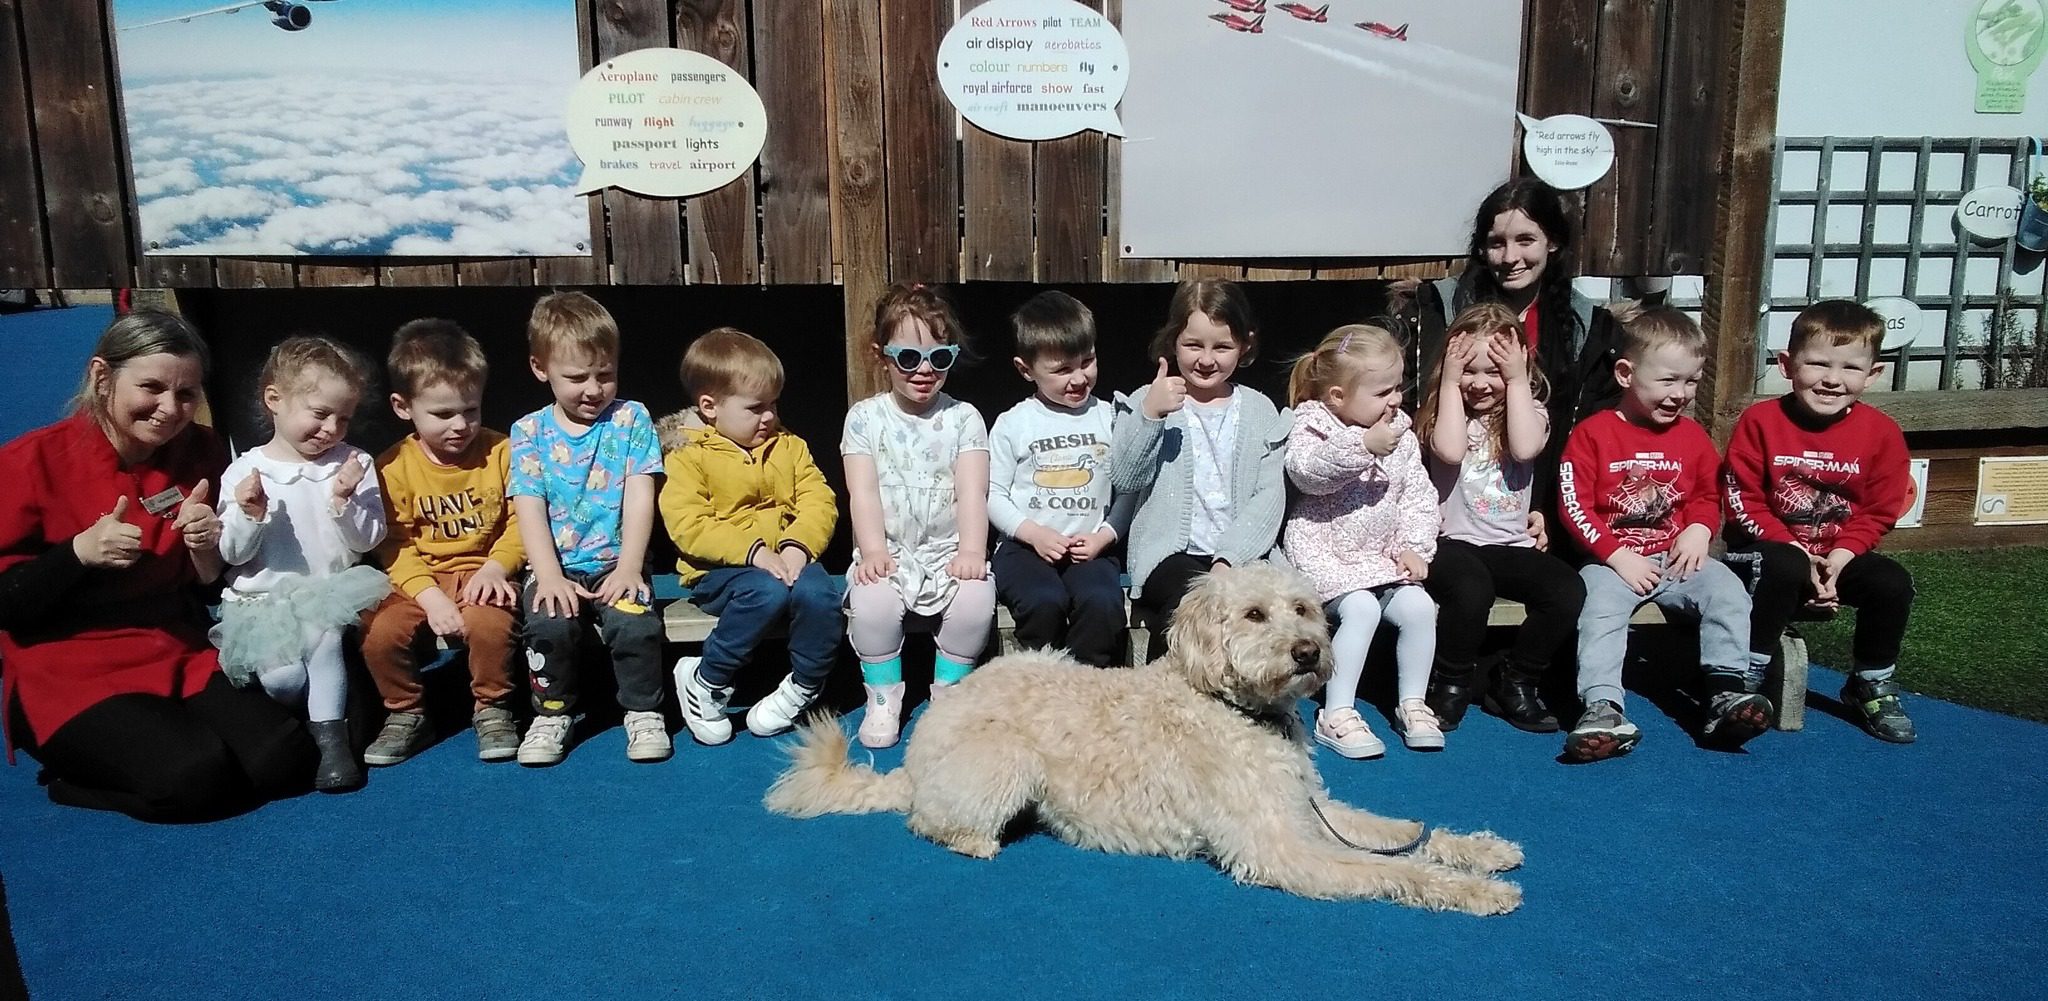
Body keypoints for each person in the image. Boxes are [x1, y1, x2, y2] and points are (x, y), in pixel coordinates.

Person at [0, 309, 316, 821]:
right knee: (196, 780)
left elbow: (214, 582)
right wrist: (76, 555)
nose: (170, 409)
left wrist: (211, 544)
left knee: (286, 762)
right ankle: (69, 783)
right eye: (151, 388)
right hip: (66, 667)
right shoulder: (28, 462)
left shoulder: (203, 452)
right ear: (103, 378)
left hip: (175, 645)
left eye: (187, 394)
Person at [1556, 308, 1766, 762]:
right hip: (1611, 563)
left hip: (1676, 559)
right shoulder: (1592, 434)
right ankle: (1602, 706)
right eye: (1669, 381)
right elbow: (1574, 506)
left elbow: (1709, 495)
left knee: (1727, 589)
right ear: (1626, 374)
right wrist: (1615, 555)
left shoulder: (1691, 438)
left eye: (1691, 382)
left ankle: (1726, 692)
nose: (1681, 394)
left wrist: (1698, 528)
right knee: (1600, 610)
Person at [1722, 300, 1917, 743]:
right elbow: (1742, 500)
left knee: (1891, 583)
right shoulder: (1761, 421)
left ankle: (1871, 680)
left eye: (1851, 368)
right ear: (1787, 365)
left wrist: (1838, 561)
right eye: (1817, 364)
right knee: (1783, 565)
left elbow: (1879, 510)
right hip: (1763, 555)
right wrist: (1798, 555)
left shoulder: (1883, 433)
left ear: (1874, 375)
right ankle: (1744, 676)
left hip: (1836, 557)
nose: (1832, 379)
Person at [215, 335, 390, 792]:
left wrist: (343, 500)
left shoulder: (353, 464)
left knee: (324, 639)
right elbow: (232, 554)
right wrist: (250, 514)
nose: (331, 428)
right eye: (319, 414)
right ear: (274, 399)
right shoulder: (245, 470)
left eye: (344, 417)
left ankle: (333, 746)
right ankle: (306, 713)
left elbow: (369, 539)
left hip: (327, 592)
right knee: (284, 678)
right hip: (263, 603)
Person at [1402, 177, 1625, 520]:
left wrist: (1555, 517)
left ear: (1552, 242)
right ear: (1480, 248)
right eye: (1496, 243)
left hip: (1541, 518)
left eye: (1525, 240)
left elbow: (1591, 439)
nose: (1510, 257)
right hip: (1444, 516)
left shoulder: (1591, 332)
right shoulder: (1432, 312)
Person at [507, 292, 668, 767]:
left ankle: (643, 712)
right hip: (555, 563)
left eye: (605, 374)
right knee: (547, 624)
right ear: (541, 369)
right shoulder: (529, 431)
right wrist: (548, 575)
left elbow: (641, 495)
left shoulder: (630, 417)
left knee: (634, 622)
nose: (593, 389)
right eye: (576, 378)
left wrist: (630, 566)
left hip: (616, 559)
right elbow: (529, 507)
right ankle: (552, 713)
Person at [661, 327, 842, 744]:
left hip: (788, 556)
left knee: (820, 596)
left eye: (774, 405)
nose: (769, 417)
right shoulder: (688, 455)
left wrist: (798, 547)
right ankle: (707, 680)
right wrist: (753, 552)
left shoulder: (789, 446)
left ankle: (804, 684)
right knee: (766, 593)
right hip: (720, 569)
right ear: (710, 407)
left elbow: (819, 499)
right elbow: (689, 524)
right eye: (755, 408)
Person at [359, 320, 526, 766]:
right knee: (380, 634)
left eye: (470, 410)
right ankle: (405, 712)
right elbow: (394, 544)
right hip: (420, 578)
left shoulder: (502, 452)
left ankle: (493, 707)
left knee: (491, 626)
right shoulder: (393, 466)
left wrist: (496, 568)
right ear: (403, 406)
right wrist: (430, 598)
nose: (461, 425)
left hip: (484, 570)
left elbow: (521, 523)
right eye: (443, 414)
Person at [1417, 304, 1584, 734]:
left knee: (1565, 589)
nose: (1479, 384)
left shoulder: (1533, 413)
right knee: (1472, 588)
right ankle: (1451, 681)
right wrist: (1449, 383)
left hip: (1508, 544)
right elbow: (1451, 451)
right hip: (1449, 543)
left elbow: (1526, 448)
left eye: (1493, 372)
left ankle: (1517, 679)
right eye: (1467, 371)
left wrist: (1516, 379)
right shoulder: (1444, 414)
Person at [841, 284, 995, 749]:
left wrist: (971, 549)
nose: (924, 371)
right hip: (889, 547)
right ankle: (884, 698)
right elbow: (862, 491)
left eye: (939, 358)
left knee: (973, 601)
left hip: (948, 547)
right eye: (908, 358)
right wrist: (872, 551)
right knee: (872, 603)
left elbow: (972, 490)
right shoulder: (865, 418)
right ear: (881, 357)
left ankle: (949, 695)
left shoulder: (964, 417)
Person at [1282, 324, 1441, 757]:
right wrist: (1363, 446)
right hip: (1324, 555)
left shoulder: (1402, 436)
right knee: (1361, 607)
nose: (1395, 399)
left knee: (1418, 606)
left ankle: (1412, 701)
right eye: (1382, 392)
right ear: (1337, 395)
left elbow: (1418, 498)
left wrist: (1414, 546)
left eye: (1397, 387)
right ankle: (1336, 711)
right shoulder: (1313, 425)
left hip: (1380, 557)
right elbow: (1307, 475)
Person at [1112, 279, 1289, 660]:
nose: (1206, 359)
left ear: (1244, 345)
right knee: (1189, 605)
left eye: (1222, 347)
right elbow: (1125, 478)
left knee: (1274, 609)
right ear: (1172, 341)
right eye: (1193, 345)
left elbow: (1268, 498)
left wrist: (1228, 559)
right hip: (1170, 554)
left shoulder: (1259, 410)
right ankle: (1166, 701)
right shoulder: (1149, 400)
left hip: (1241, 553)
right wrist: (1150, 416)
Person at [988, 291, 1131, 667]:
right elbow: (993, 494)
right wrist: (1032, 534)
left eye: (1088, 361)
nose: (1079, 378)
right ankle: (1042, 682)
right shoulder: (1014, 423)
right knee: (1042, 601)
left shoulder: (1112, 416)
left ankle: (1089, 685)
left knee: (1101, 603)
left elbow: (1129, 488)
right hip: (1025, 547)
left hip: (1090, 545)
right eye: (1062, 369)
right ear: (1025, 370)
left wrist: (1105, 536)